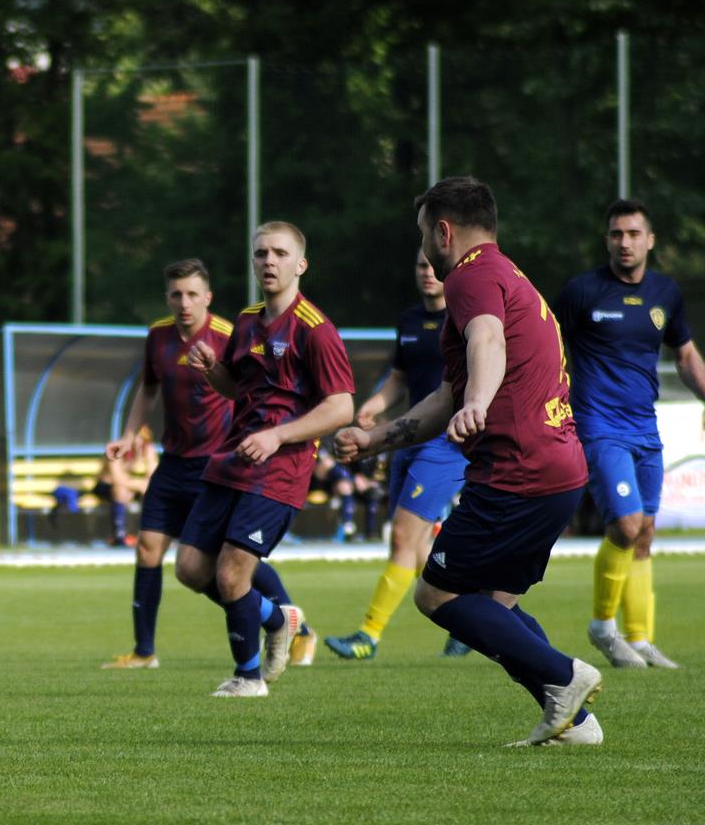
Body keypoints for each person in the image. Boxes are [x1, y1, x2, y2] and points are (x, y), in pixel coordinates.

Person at [335, 176, 604, 746]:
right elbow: (446, 396)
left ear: (443, 230)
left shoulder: (471, 276)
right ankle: (574, 724)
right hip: (559, 469)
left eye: (423, 233)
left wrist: (480, 403)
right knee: (492, 608)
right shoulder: (509, 274)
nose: (425, 249)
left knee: (436, 594)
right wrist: (376, 438)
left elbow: (487, 344)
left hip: (517, 469)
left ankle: (565, 675)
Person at [101, 258, 318, 671]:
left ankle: (295, 624)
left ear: (208, 297)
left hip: (218, 463)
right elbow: (147, 388)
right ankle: (145, 651)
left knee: (231, 561)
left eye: (192, 294)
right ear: (167, 297)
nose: (184, 303)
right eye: (176, 294)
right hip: (173, 461)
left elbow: (249, 391)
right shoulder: (158, 336)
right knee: (149, 549)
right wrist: (129, 435)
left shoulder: (227, 334)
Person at [175, 226, 355, 696]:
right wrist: (211, 369)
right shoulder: (248, 320)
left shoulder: (316, 329)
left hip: (281, 467)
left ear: (301, 264)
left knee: (233, 573)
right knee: (191, 569)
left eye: (280, 253)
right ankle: (279, 619)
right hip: (234, 456)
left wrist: (278, 436)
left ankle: (248, 678)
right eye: (261, 253)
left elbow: (341, 407)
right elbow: (237, 388)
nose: (269, 261)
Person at [555, 199, 705, 671]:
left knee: (645, 535)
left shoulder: (666, 292)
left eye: (633, 234)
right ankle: (602, 627)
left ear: (650, 240)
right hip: (599, 427)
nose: (625, 242)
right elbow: (547, 347)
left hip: (646, 428)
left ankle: (640, 640)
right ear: (608, 240)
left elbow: (685, 356)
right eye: (617, 234)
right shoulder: (582, 292)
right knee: (625, 524)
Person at [326, 249, 471, 661]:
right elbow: (399, 376)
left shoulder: (464, 318)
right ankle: (468, 620)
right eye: (420, 265)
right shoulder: (409, 319)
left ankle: (367, 636)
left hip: (445, 445)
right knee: (419, 545)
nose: (427, 273)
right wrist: (374, 406)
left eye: (433, 266)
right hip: (407, 439)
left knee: (403, 539)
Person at [95, 425, 156, 547]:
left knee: (151, 491)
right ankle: (120, 535)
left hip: (130, 487)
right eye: (137, 438)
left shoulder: (147, 448)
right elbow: (117, 478)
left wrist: (140, 484)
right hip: (106, 486)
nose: (139, 442)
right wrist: (139, 484)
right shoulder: (117, 448)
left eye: (143, 439)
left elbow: (153, 476)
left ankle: (150, 534)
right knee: (121, 490)